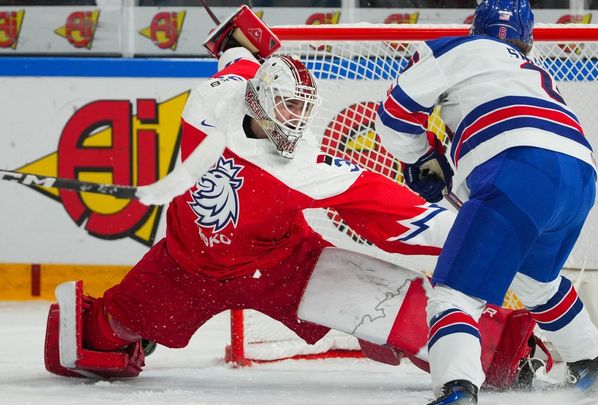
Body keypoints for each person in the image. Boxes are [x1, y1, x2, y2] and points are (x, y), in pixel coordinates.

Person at [42, 8, 456, 380]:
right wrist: (238, 46)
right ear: (261, 101)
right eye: (290, 107)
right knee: (101, 337)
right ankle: (132, 334)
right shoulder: (214, 102)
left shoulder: (281, 146)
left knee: (402, 315)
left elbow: (386, 205)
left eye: (303, 108)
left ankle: (494, 346)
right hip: (184, 268)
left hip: (282, 267)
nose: (298, 120)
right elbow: (239, 65)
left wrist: (468, 234)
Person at [373, 0, 598, 404]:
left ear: (475, 27)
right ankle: (594, 371)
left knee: (454, 294)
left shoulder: (451, 48)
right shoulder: (536, 73)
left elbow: (394, 116)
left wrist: (420, 158)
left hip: (517, 167)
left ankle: (457, 391)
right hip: (580, 176)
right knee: (538, 282)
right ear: (529, 40)